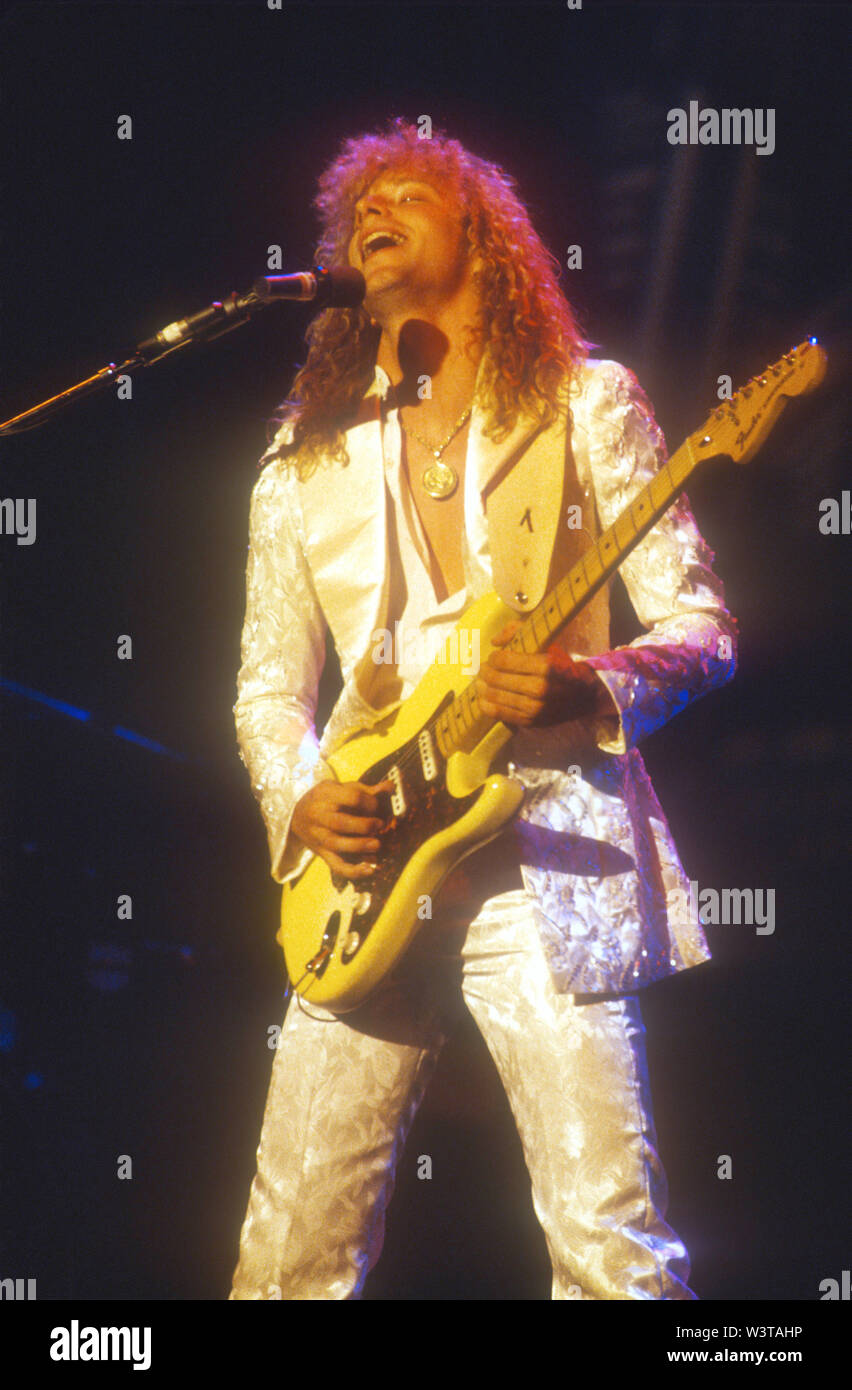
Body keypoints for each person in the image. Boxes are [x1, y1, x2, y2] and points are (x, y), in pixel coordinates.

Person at [228, 117, 737, 1300]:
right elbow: (265, 684)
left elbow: (702, 629)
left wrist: (588, 684)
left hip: (543, 860)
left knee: (610, 1250)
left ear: (487, 235)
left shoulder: (585, 400)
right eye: (359, 207)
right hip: (361, 877)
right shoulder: (308, 449)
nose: (374, 213)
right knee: (288, 1256)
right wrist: (302, 795)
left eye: (408, 193)